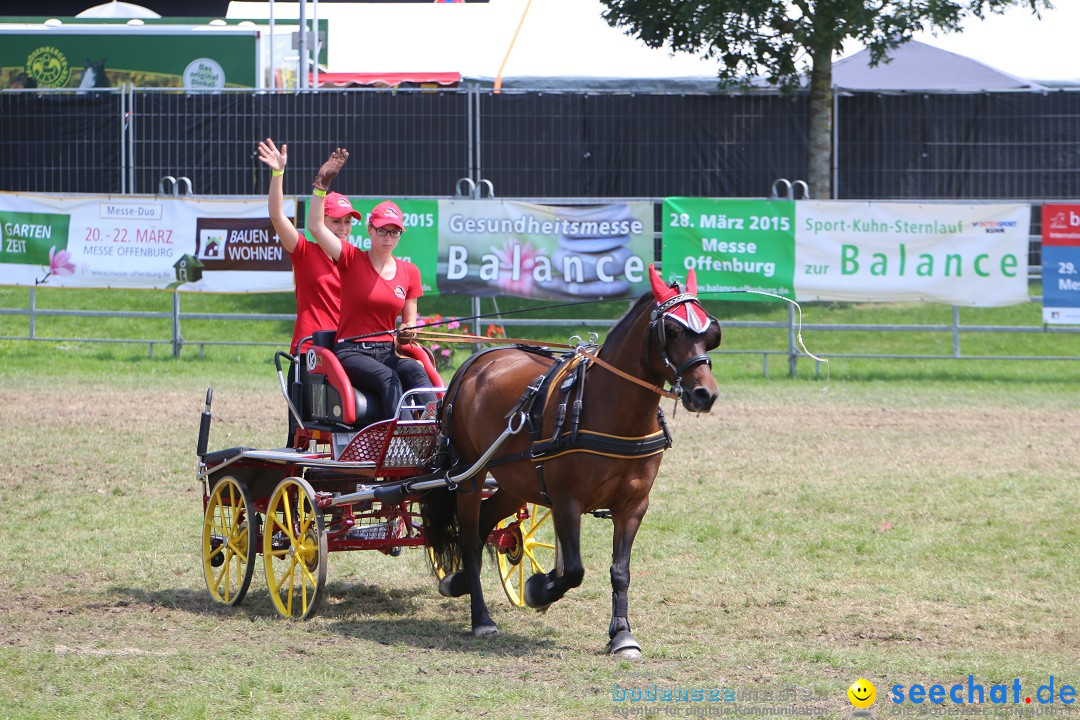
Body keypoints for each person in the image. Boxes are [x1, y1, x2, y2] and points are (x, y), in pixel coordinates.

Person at [305, 147, 431, 420]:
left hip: (389, 350)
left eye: (395, 231)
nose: (388, 237)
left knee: (418, 374)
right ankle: (404, 441)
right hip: (351, 351)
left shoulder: (410, 272)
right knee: (391, 380)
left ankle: (438, 436)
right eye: (383, 230)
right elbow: (316, 226)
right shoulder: (350, 258)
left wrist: (409, 330)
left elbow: (409, 322)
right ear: (370, 230)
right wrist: (321, 185)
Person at [257, 138, 360, 444]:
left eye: (347, 222)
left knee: (347, 437)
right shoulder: (305, 251)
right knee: (302, 438)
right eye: (335, 221)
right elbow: (277, 216)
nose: (342, 228)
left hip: (347, 355)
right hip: (308, 355)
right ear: (321, 221)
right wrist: (278, 174)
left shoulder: (355, 258)